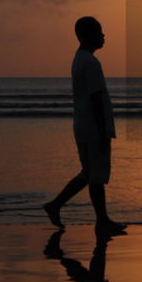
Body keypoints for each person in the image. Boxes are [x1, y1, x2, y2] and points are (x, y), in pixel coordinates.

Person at [43, 16, 126, 236]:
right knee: (95, 176)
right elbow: (96, 99)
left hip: (83, 126)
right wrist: (103, 132)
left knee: (89, 174)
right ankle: (102, 221)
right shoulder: (89, 62)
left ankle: (56, 205)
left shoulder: (80, 59)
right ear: (88, 35)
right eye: (99, 31)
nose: (103, 35)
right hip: (92, 128)